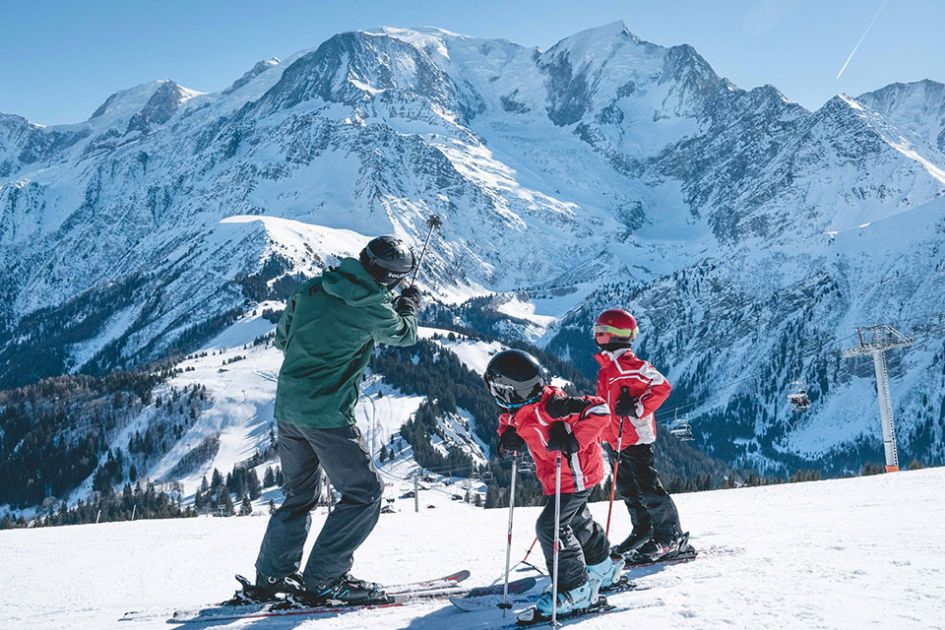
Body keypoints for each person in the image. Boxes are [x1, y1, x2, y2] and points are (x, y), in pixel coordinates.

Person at [248, 235, 422, 605]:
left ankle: (271, 576)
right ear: (387, 277)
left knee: (298, 496)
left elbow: (283, 340)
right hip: (327, 415)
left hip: (289, 408)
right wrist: (409, 305)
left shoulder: (312, 287)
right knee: (364, 493)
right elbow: (405, 335)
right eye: (397, 279)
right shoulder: (373, 305)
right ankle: (326, 579)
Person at [484, 349, 625, 619]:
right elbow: (508, 422)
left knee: (550, 527)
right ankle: (602, 568)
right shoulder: (516, 410)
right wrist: (507, 437)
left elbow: (600, 410)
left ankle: (576, 590)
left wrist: (574, 438)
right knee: (577, 522)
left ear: (508, 390)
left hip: (576, 476)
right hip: (557, 478)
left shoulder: (553, 405)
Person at [592, 308, 691, 563]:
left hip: (635, 437)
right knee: (629, 489)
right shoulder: (608, 366)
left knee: (648, 488)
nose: (598, 335)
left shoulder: (630, 366)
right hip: (615, 438)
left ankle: (670, 537)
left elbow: (662, 386)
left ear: (617, 335)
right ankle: (645, 531)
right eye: (597, 331)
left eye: (602, 331)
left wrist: (637, 407)